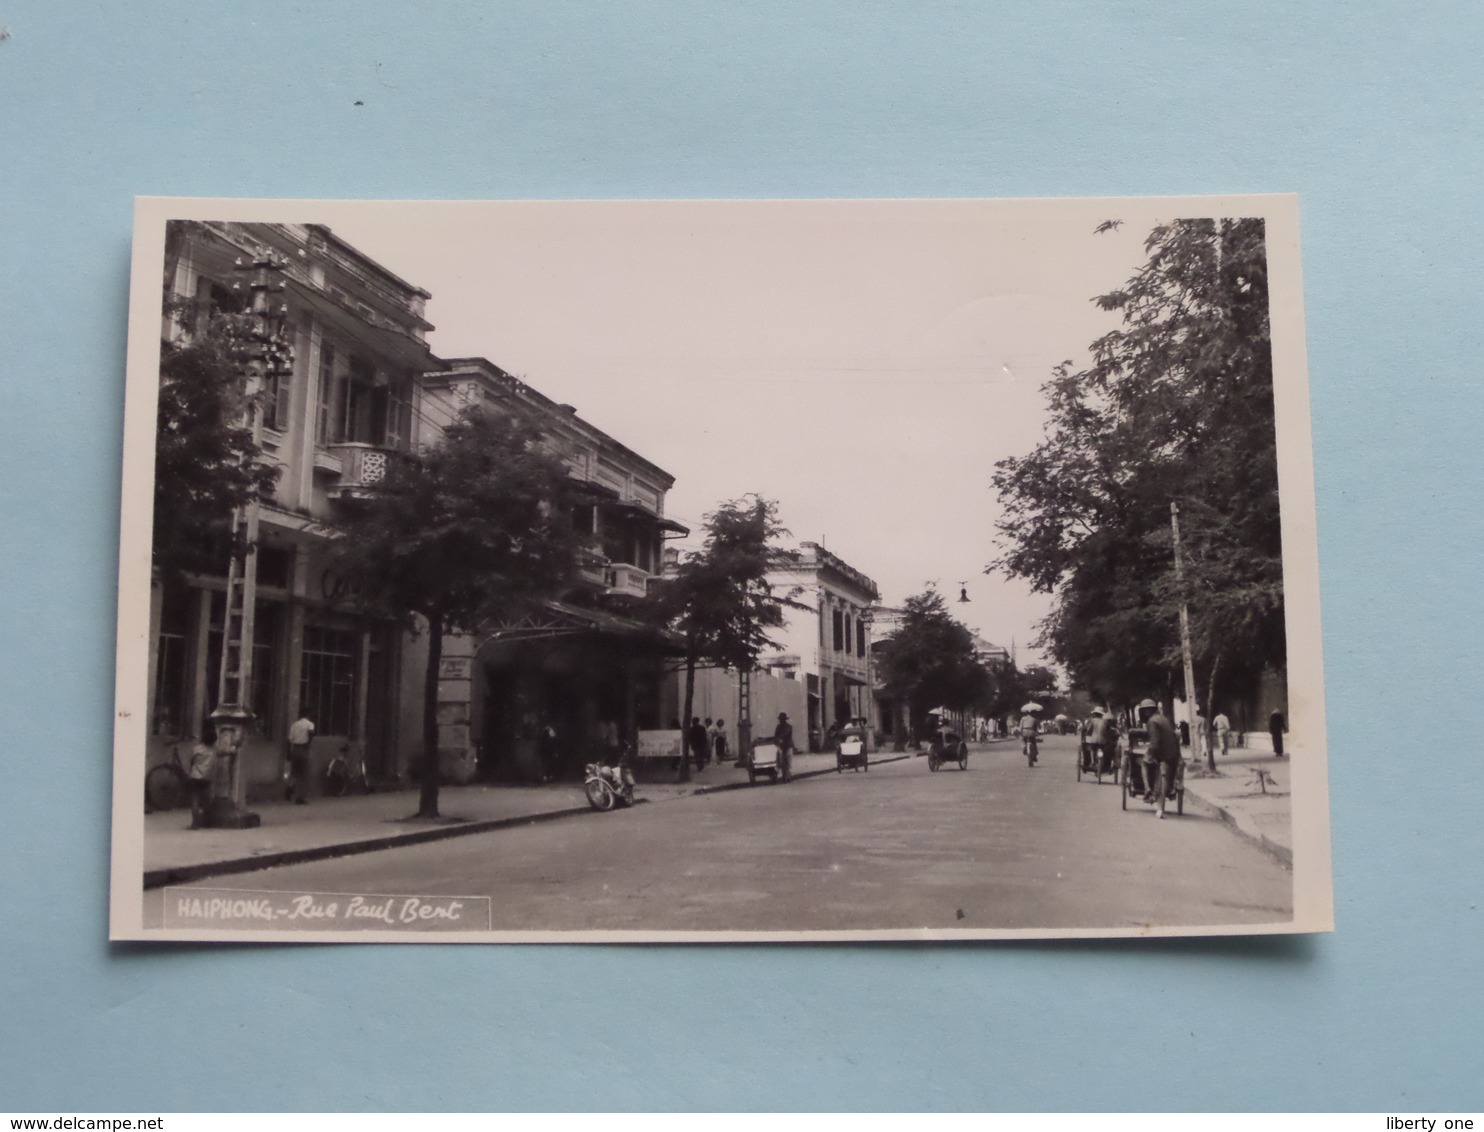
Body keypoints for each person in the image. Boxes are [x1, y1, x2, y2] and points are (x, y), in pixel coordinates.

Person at [1140, 699, 1181, 819]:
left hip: (1161, 752)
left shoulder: (1151, 721)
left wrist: (1150, 754)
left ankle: (1147, 789)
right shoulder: (1163, 718)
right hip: (1172, 754)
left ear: (1147, 711)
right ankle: (1165, 792)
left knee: (1143, 762)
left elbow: (1155, 743)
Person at [187, 722, 218, 829]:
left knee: (195, 800)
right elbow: (225, 752)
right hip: (206, 778)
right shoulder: (214, 750)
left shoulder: (197, 749)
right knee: (206, 801)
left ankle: (194, 824)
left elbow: (192, 761)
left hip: (195, 777)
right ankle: (207, 822)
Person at [287, 712, 315, 804]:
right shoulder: (310, 724)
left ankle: (291, 785)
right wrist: (308, 743)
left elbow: (289, 739)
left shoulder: (294, 725)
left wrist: (288, 753)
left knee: (295, 771)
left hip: (295, 748)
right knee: (304, 774)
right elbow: (311, 733)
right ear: (308, 715)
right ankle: (301, 797)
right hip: (304, 748)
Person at [773, 712, 796, 780]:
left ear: (784, 720)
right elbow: (776, 735)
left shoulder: (788, 727)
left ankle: (788, 776)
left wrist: (779, 738)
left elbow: (784, 734)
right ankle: (785, 776)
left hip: (788, 746)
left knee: (788, 762)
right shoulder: (778, 727)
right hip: (782, 747)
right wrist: (776, 741)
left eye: (782, 719)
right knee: (782, 762)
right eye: (780, 719)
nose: (781, 721)